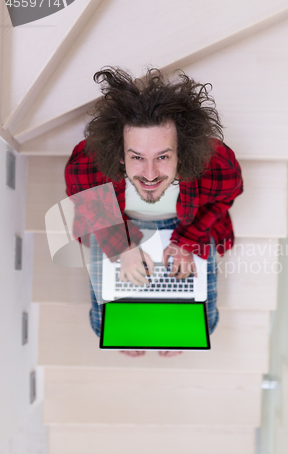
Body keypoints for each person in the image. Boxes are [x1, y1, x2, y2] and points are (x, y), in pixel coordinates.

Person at [65, 67, 243, 357]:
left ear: (183, 152)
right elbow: (88, 203)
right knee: (104, 326)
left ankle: (178, 334)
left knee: (204, 324)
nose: (149, 174)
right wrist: (121, 246)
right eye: (136, 157)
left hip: (189, 221)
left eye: (163, 157)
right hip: (116, 220)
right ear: (120, 155)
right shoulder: (89, 162)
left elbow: (224, 198)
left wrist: (188, 241)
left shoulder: (217, 163)